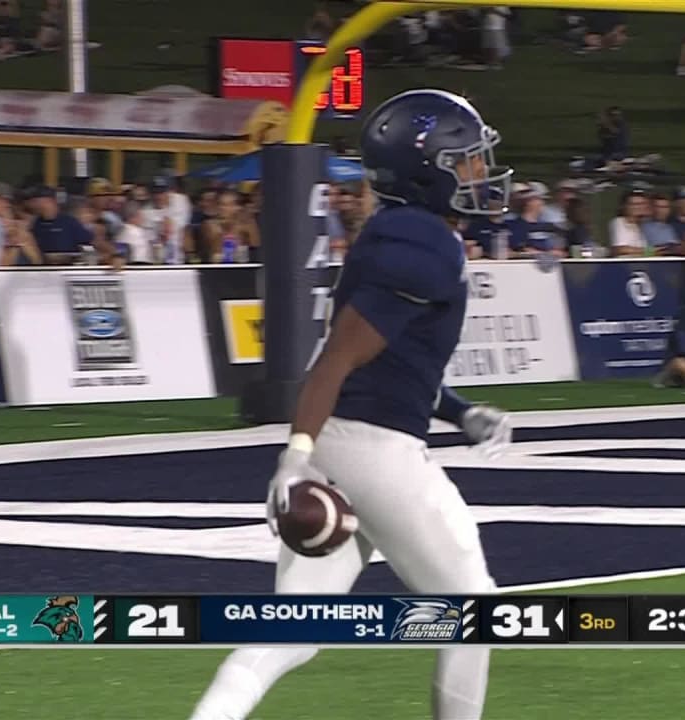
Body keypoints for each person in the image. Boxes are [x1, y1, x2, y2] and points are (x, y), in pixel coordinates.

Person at [189, 89, 513, 720]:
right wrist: (294, 455)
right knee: (473, 611)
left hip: (348, 438)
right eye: (465, 160)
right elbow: (338, 356)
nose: (479, 173)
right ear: (427, 171)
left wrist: (458, 411)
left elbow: (385, 364)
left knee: (292, 631)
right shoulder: (425, 243)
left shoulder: (399, 231)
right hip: (374, 450)